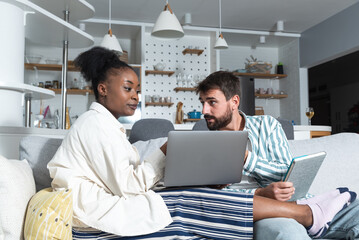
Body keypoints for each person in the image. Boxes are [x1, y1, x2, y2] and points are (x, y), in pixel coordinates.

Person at [48, 47, 355, 239]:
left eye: (137, 89)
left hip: (104, 206)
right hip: (91, 216)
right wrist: (164, 152)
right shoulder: (94, 125)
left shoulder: (107, 126)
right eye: (128, 88)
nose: (135, 97)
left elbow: (127, 179)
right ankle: (308, 214)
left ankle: (315, 209)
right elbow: (128, 187)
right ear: (102, 89)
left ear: (234, 102)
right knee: (186, 199)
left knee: (186, 196)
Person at [195, 70, 359, 239]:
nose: (204, 110)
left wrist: (247, 159)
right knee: (290, 235)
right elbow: (218, 201)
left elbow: (287, 173)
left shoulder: (267, 125)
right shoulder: (204, 145)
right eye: (202, 103)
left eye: (212, 102)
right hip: (265, 215)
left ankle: (315, 215)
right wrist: (261, 193)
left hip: (300, 202)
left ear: (234, 102)